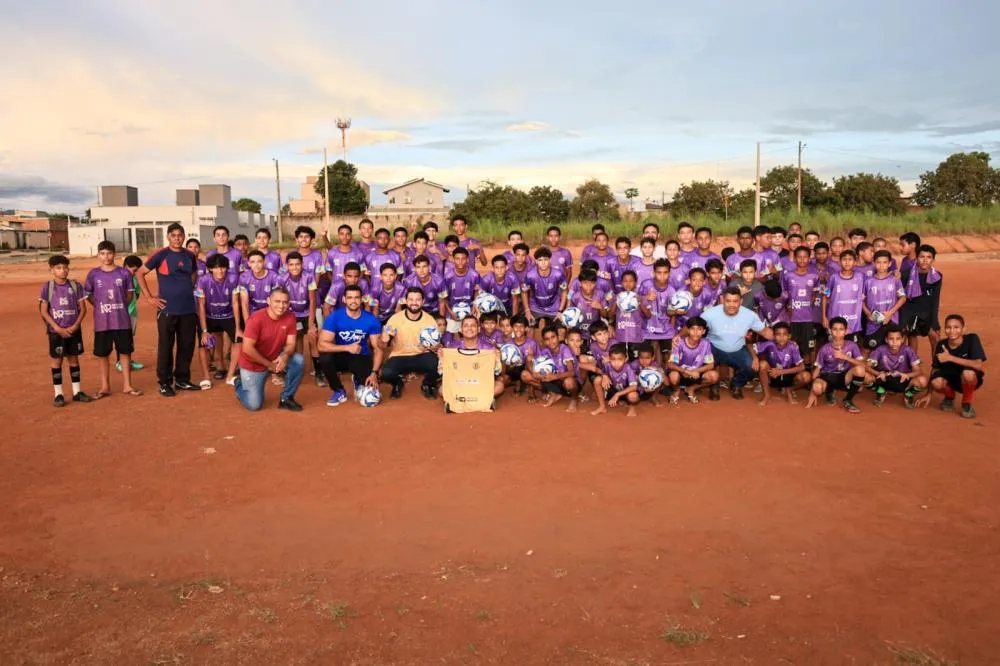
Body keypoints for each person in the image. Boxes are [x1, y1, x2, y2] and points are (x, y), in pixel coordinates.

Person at [138, 223, 203, 397]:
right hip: (167, 309)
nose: (177, 238)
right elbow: (139, 273)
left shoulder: (190, 255)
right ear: (168, 237)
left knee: (187, 345)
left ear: (184, 236)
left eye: (180, 235)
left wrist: (188, 289)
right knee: (166, 345)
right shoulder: (161, 255)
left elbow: (194, 274)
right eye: (173, 235)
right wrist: (149, 297)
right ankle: (165, 382)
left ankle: (182, 379)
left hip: (188, 309)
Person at [233, 287, 304, 412]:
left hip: (275, 358)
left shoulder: (290, 317)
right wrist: (269, 365)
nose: (281, 306)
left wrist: (285, 356)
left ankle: (286, 398)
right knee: (254, 405)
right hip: (253, 363)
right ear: (268, 301)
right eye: (277, 301)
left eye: (285, 302)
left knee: (298, 360)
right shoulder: (256, 319)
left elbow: (291, 344)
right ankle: (239, 383)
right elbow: (247, 348)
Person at [86, 240, 141, 398]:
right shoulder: (93, 274)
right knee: (103, 354)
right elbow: (88, 293)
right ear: (98, 255)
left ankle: (127, 385)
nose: (106, 256)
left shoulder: (123, 273)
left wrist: (121, 305)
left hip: (122, 321)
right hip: (102, 322)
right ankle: (105, 386)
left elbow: (130, 293)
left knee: (125, 352)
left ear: (114, 254)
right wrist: (97, 305)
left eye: (109, 253)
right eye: (102, 253)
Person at [317, 285, 384, 407]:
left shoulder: (371, 320)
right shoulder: (334, 317)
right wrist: (347, 347)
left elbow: (377, 348)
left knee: (371, 387)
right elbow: (321, 345)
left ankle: (358, 379)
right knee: (325, 358)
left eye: (357, 298)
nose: (353, 301)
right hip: (340, 355)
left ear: (362, 299)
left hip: (360, 356)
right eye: (350, 298)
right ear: (344, 299)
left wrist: (374, 373)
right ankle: (338, 390)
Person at [702, 287, 773, 400]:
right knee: (702, 359)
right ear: (722, 300)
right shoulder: (709, 314)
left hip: (738, 349)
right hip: (714, 348)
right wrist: (678, 336)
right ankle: (714, 385)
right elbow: (693, 328)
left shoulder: (750, 315)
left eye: (735, 301)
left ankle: (736, 384)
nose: (732, 305)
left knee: (751, 367)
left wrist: (785, 339)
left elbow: (764, 332)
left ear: (741, 301)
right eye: (728, 301)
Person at [38, 255, 92, 407]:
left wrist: (75, 325)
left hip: (73, 330)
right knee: (57, 360)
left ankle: (77, 392)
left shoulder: (75, 286)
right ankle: (58, 394)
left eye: (65, 267)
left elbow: (83, 308)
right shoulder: (47, 287)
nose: (63, 271)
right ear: (52, 270)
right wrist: (56, 328)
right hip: (56, 332)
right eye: (58, 268)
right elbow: (44, 311)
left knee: (73, 359)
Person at [919, 314, 987, 418]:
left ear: (963, 329)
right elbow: (935, 369)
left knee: (967, 373)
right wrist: (929, 393)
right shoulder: (941, 345)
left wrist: (950, 358)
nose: (952, 331)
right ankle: (949, 396)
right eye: (948, 327)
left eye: (956, 327)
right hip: (951, 381)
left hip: (969, 379)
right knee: (935, 382)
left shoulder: (972, 339)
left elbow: (978, 365)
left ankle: (966, 403)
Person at [380, 288, 442, 400]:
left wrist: (435, 347)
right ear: (406, 301)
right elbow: (383, 346)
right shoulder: (395, 319)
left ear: (423, 301)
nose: (414, 302)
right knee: (386, 373)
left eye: (418, 299)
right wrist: (384, 340)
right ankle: (397, 384)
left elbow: (435, 345)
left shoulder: (429, 320)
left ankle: (427, 384)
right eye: (411, 299)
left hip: (421, 355)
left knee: (441, 365)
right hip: (399, 356)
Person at [805, 317, 867, 413]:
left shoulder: (852, 345)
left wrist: (845, 357)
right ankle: (829, 391)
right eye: (834, 329)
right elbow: (816, 372)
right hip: (828, 376)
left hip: (844, 377)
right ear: (830, 331)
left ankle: (848, 400)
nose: (838, 332)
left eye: (841, 329)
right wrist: (812, 392)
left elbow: (863, 364)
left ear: (846, 331)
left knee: (860, 370)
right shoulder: (824, 349)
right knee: (817, 388)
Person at [195, 253, 239, 382]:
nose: (220, 270)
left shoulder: (234, 279)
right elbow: (201, 306)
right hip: (209, 316)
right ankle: (207, 376)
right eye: (216, 267)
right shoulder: (202, 280)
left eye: (223, 267)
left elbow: (235, 303)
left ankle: (230, 375)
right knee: (204, 345)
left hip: (228, 315)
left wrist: (238, 327)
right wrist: (204, 331)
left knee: (239, 341)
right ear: (210, 269)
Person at [442, 315, 505, 398]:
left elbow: (498, 371)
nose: (469, 329)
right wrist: (441, 357)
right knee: (441, 389)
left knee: (499, 386)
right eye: (466, 326)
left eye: (473, 326)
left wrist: (497, 358)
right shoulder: (453, 347)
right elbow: (445, 371)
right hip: (460, 383)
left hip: (481, 384)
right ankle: (479, 398)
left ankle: (463, 398)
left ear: (478, 329)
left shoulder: (489, 348)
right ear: (460, 329)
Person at [867, 324, 927, 408]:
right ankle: (880, 391)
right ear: (886, 340)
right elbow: (867, 367)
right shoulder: (880, 350)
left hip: (902, 380)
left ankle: (908, 394)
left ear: (902, 339)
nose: (894, 342)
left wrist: (907, 375)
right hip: (884, 379)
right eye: (891, 339)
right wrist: (878, 373)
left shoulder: (907, 350)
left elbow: (918, 371)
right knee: (865, 377)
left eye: (898, 339)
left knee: (923, 381)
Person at [521, 324, 579, 410]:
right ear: (544, 341)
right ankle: (554, 393)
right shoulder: (545, 351)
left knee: (569, 381)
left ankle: (574, 399)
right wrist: (529, 360)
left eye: (553, 337)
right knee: (525, 375)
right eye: (547, 339)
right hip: (554, 382)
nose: (551, 341)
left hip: (568, 383)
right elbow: (534, 367)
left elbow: (572, 372)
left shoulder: (565, 350)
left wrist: (554, 376)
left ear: (558, 337)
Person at [899, 244, 942, 358]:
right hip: (909, 311)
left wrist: (934, 321)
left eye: (929, 257)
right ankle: (910, 366)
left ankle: (936, 369)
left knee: (936, 338)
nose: (925, 260)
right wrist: (903, 320)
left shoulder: (937, 276)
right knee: (907, 339)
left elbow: (935, 299)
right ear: (917, 258)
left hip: (925, 312)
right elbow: (901, 297)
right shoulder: (906, 274)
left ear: (933, 259)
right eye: (922, 257)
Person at [666, 316, 719, 404]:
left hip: (696, 374)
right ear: (688, 330)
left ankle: (691, 389)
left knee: (714, 376)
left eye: (699, 329)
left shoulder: (706, 343)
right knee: (673, 376)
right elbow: (670, 364)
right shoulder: (679, 343)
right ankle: (676, 391)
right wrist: (687, 372)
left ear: (703, 331)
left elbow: (711, 364)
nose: (695, 332)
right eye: (692, 329)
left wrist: (697, 371)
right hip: (681, 373)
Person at [755, 322, 810, 405]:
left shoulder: (793, 347)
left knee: (806, 377)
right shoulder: (769, 344)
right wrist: (755, 357)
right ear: (773, 336)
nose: (781, 337)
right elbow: (751, 346)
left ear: (789, 336)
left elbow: (802, 367)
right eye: (778, 334)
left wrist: (781, 372)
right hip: (772, 374)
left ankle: (789, 390)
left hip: (787, 375)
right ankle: (767, 395)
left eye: (784, 334)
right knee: (762, 364)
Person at [862, 249, 907, 351]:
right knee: (868, 350)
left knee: (892, 348)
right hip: (873, 323)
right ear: (874, 263)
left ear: (890, 263)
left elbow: (903, 298)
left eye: (884, 262)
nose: (881, 265)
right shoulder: (868, 281)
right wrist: (868, 314)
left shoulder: (895, 280)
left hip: (891, 321)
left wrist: (890, 312)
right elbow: (861, 300)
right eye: (878, 262)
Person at [822, 249, 864, 344]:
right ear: (840, 262)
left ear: (855, 262)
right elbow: (825, 296)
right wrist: (824, 317)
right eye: (844, 259)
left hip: (853, 321)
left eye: (850, 259)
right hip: (834, 319)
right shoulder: (834, 277)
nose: (847, 262)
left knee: (851, 348)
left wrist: (893, 274)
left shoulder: (860, 277)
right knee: (833, 348)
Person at [521, 247, 568, 329]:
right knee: (529, 330)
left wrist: (560, 311)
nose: (543, 263)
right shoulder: (530, 275)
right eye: (540, 260)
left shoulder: (558, 274)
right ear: (536, 261)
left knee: (561, 331)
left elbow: (564, 291)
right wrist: (527, 311)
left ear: (550, 261)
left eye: (545, 260)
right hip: (535, 307)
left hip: (554, 308)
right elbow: (524, 292)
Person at [593, 344, 640, 417]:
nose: (616, 363)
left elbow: (634, 387)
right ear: (609, 358)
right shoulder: (608, 365)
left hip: (626, 392)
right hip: (613, 390)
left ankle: (632, 408)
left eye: (620, 359)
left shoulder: (629, 368)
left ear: (626, 358)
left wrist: (617, 394)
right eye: (613, 359)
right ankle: (602, 407)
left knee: (633, 396)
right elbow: (600, 370)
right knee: (597, 380)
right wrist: (604, 375)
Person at [117, 254, 146, 372]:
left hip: (132, 313)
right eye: (133, 270)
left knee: (129, 338)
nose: (134, 273)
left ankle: (128, 361)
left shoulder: (135, 279)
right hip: (121, 314)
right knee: (122, 339)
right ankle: (120, 363)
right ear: (125, 266)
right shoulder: (118, 279)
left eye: (137, 271)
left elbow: (137, 295)